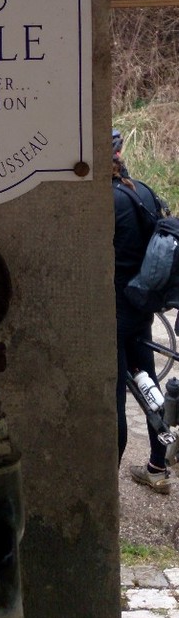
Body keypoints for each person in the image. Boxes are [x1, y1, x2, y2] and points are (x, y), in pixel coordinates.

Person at [112, 132, 172, 493]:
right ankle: (157, 467)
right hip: (140, 305)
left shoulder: (106, 202)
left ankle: (107, 485)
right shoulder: (143, 191)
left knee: (115, 394)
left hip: (113, 309)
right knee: (148, 381)